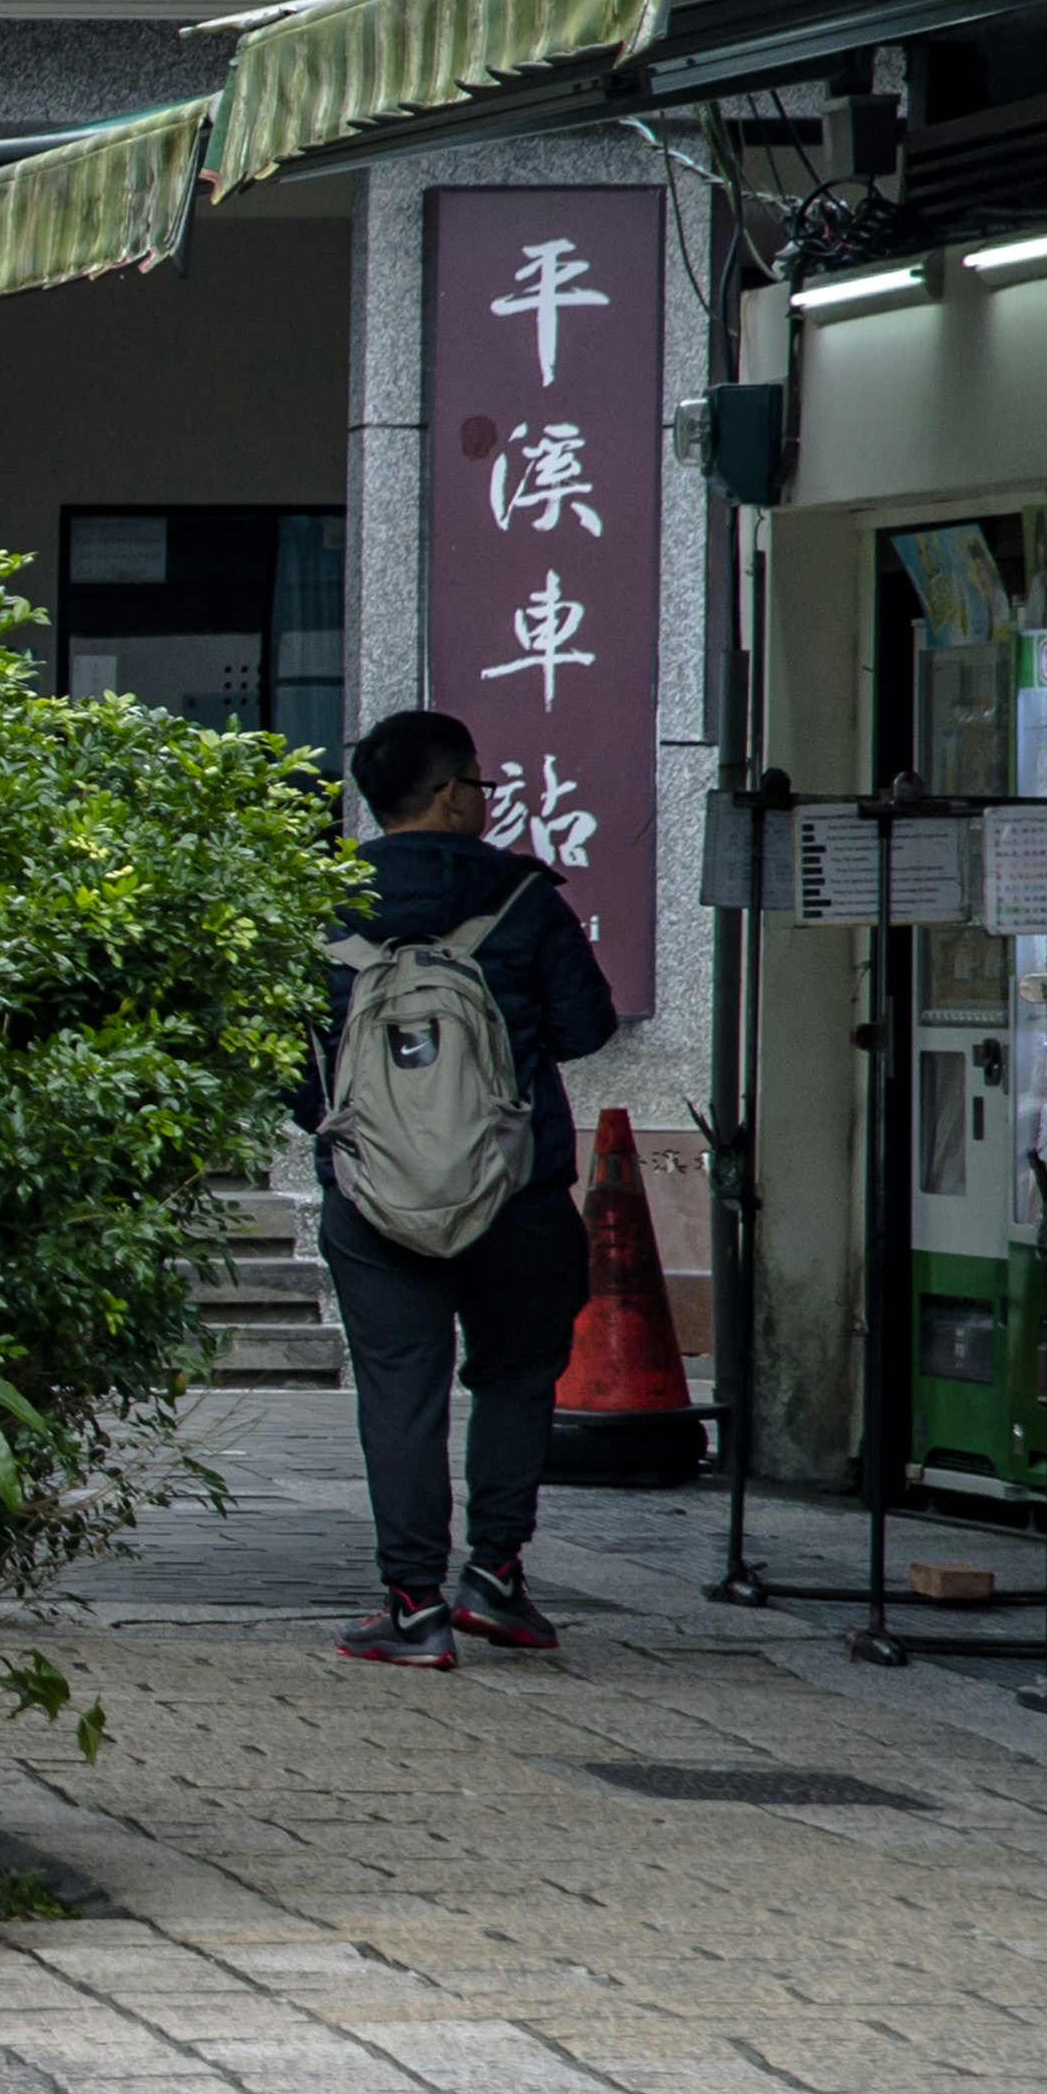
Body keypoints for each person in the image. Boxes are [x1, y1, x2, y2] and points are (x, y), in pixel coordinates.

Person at [307, 705, 620, 1668]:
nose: (485, 799)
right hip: (517, 1191)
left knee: (401, 1390)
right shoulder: (526, 898)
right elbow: (585, 1028)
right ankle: (495, 1576)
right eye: (479, 783)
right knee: (516, 1374)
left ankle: (411, 1605)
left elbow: (295, 1063)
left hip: (373, 1198)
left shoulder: (325, 901)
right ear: (449, 794)